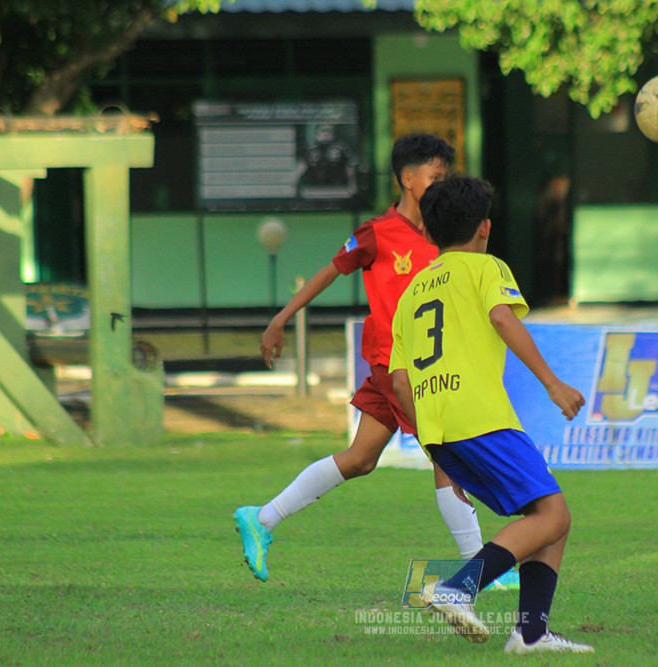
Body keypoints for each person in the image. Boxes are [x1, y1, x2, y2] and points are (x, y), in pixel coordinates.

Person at [233, 134, 517, 590]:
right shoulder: (377, 233)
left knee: (362, 458)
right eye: (435, 177)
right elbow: (329, 270)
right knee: (449, 458)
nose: (442, 185)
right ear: (407, 179)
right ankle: (484, 571)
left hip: (418, 366)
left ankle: (261, 518)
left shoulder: (443, 236)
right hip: (394, 367)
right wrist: (281, 318)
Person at [390, 175, 594, 654]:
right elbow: (503, 318)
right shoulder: (486, 269)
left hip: (439, 429)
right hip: (481, 419)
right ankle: (457, 589)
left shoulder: (412, 291)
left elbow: (399, 382)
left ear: (429, 232)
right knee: (554, 513)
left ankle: (530, 634)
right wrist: (553, 383)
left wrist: (434, 443)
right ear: (484, 228)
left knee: (544, 516)